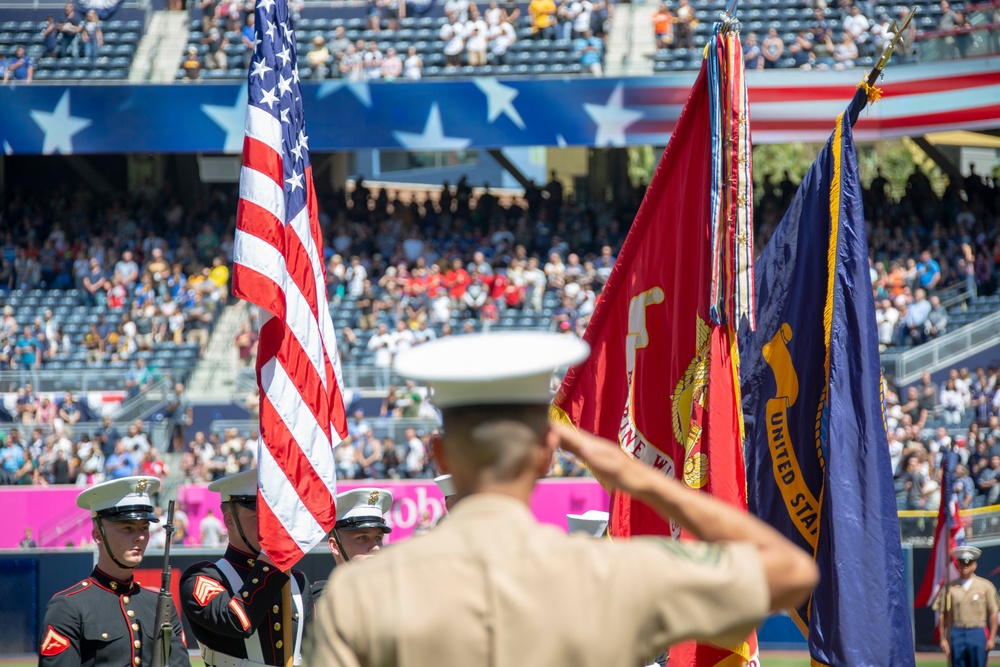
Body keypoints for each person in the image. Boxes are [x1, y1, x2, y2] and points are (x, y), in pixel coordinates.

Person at [308, 332, 817, 665]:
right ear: (550, 454)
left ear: (439, 454)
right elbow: (791, 572)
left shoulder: (363, 594)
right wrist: (635, 475)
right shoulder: (610, 574)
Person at [38, 476, 190, 666]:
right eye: (127, 528)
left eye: (144, 528)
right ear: (97, 535)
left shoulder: (158, 605)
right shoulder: (69, 607)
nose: (139, 537)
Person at [180, 470, 312, 667]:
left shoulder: (297, 580)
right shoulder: (204, 578)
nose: (273, 525)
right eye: (261, 516)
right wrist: (272, 557)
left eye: (276, 516)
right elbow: (238, 622)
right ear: (230, 521)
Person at [311, 487, 393, 599]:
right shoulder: (319, 604)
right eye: (363, 537)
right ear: (335, 546)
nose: (376, 548)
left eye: (378, 538)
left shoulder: (395, 599)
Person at [936, 545, 999, 666]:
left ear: (974, 565)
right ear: (958, 565)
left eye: (969, 563)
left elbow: (993, 613)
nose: (965, 566)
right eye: (962, 563)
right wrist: (943, 639)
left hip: (977, 630)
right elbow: (942, 614)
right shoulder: (949, 587)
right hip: (956, 631)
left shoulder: (985, 586)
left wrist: (991, 638)